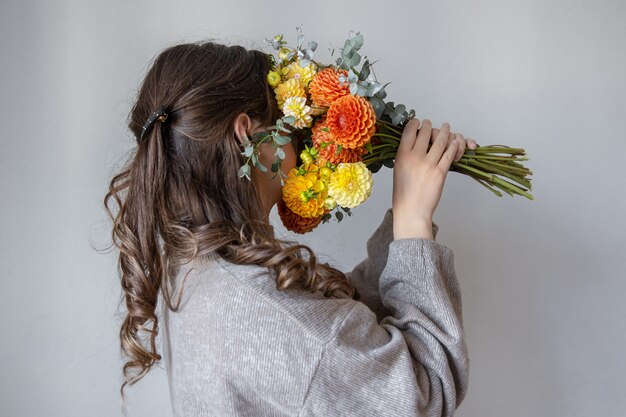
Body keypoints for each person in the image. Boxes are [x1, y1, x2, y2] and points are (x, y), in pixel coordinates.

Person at [105, 40, 476, 417]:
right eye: (286, 118)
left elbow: (332, 336)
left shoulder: (194, 263)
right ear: (246, 133)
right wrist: (412, 220)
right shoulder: (263, 310)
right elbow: (424, 392)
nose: (299, 137)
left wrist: (409, 218)